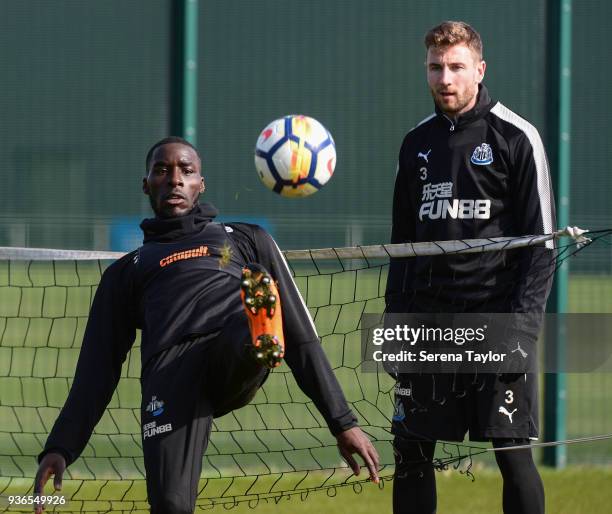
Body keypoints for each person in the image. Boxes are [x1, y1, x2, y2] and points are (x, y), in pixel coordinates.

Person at [33, 137, 380, 514]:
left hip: (229, 347)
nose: (174, 179)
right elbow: (96, 372)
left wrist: (342, 422)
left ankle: (259, 329)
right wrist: (61, 447)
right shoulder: (125, 272)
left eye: (186, 170)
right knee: (170, 505)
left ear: (201, 184)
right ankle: (256, 329)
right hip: (170, 376)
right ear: (146, 183)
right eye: (162, 171)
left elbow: (302, 337)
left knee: (249, 313)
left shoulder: (246, 239)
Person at [385, 21, 555, 514]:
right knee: (411, 453)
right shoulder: (415, 143)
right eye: (436, 68)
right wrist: (397, 325)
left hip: (497, 321)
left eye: (457, 67)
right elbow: (402, 247)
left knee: (512, 453)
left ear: (479, 70)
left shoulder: (517, 137)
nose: (445, 78)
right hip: (427, 327)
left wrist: (522, 328)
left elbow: (541, 247)